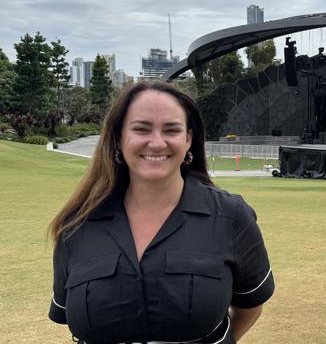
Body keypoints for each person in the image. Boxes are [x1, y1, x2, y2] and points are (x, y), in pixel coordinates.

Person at [48, 81, 274, 344]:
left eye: (171, 130)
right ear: (119, 138)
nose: (157, 143)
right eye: (141, 129)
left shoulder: (231, 216)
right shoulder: (77, 225)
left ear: (188, 139)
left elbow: (250, 306)